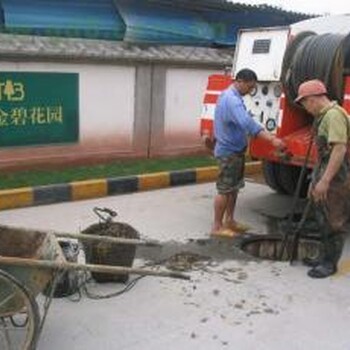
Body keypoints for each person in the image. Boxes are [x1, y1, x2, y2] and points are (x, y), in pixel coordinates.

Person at [212, 68, 285, 237]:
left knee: (234, 188)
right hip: (228, 152)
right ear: (240, 81)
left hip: (234, 151)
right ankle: (216, 227)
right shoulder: (232, 100)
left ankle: (229, 220)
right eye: (250, 87)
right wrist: (272, 140)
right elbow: (248, 124)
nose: (251, 91)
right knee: (225, 190)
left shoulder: (230, 96)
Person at [295, 79, 350, 278]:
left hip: (336, 176)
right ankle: (323, 256)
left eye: (305, 103)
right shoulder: (325, 115)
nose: (305, 108)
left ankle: (329, 263)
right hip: (326, 170)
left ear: (314, 98)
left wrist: (325, 180)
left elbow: (339, 148)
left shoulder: (334, 116)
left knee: (334, 220)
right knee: (322, 217)